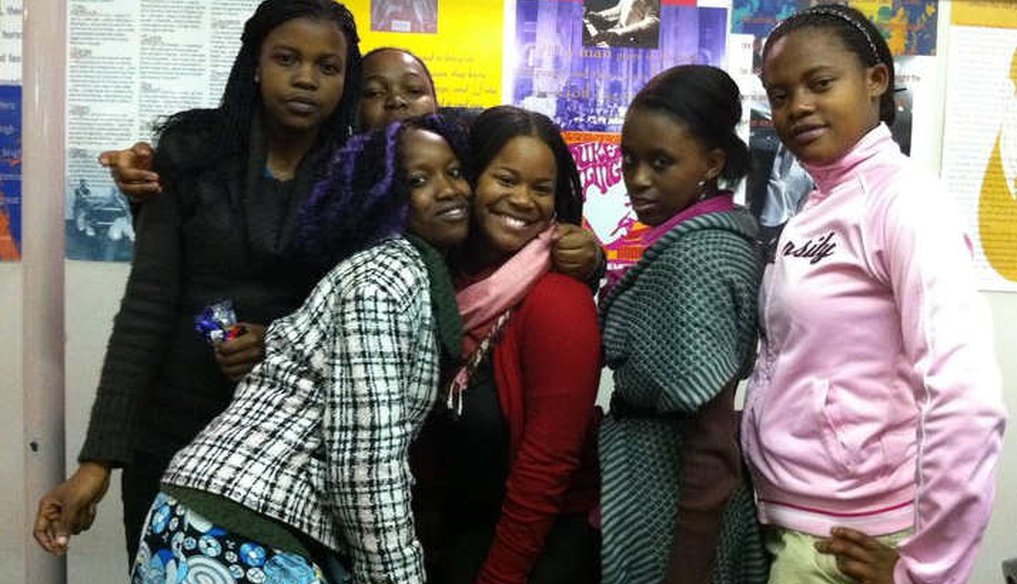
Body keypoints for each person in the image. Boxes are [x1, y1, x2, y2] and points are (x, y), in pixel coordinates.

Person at [33, 0, 363, 563]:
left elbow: (357, 320)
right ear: (255, 63)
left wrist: (281, 341)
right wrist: (98, 461)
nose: (306, 78)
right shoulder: (192, 151)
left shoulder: (357, 178)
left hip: (287, 453)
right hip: (172, 430)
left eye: (327, 67)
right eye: (287, 58)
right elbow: (147, 307)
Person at [131, 114, 472, 584]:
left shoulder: (411, 274)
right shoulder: (386, 279)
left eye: (455, 172)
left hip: (217, 520)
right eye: (418, 180)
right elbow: (365, 464)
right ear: (382, 196)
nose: (450, 189)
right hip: (239, 536)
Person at [741, 5, 1006, 584]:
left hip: (846, 541)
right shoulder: (817, 204)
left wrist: (927, 571)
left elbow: (968, 399)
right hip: (788, 518)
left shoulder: (906, 204)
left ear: (875, 81)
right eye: (780, 94)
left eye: (820, 83)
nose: (797, 107)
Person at [100, 46, 605, 284]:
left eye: (413, 91)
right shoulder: (326, 186)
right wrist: (143, 188)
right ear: (349, 109)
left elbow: (529, 209)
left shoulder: (465, 175)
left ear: (437, 104)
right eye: (373, 92)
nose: (395, 103)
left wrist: (591, 254)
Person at [413, 105, 602, 584]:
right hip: (450, 541)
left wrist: (499, 578)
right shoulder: (436, 283)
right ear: (470, 179)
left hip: (531, 551)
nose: (522, 200)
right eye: (505, 179)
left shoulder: (559, 300)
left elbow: (547, 469)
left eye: (541, 189)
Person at [598, 65, 768, 584]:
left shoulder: (695, 256)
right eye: (628, 159)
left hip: (675, 504)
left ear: (711, 162)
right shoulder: (709, 235)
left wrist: (687, 567)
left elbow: (710, 437)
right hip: (663, 485)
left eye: (661, 162)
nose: (638, 178)